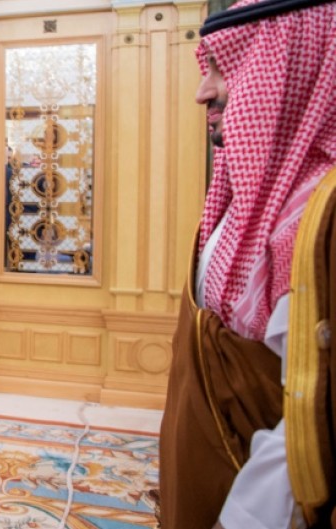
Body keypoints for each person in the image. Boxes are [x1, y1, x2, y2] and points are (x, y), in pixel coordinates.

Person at [159, 0, 336, 527]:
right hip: (207, 475)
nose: (203, 91)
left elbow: (309, 411)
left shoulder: (318, 216)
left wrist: (242, 518)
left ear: (282, 68)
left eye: (221, 69)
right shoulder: (252, 199)